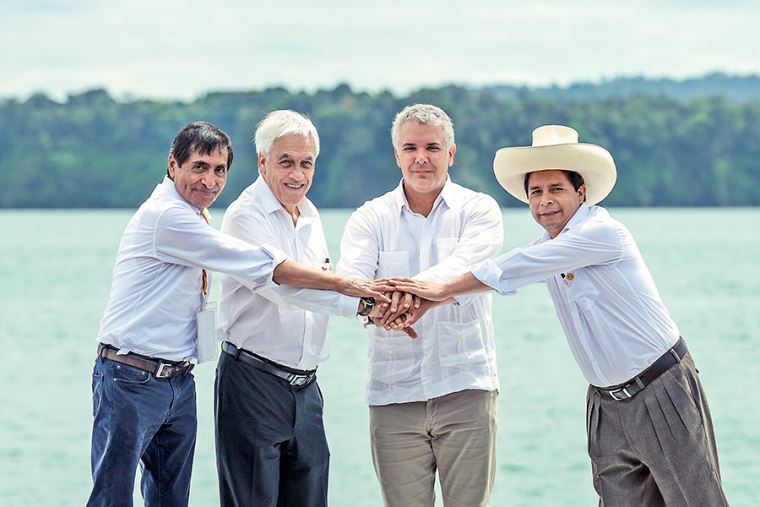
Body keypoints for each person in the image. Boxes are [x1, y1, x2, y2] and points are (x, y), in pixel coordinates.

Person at [390, 125, 728, 506]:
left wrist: (434, 290)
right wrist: (427, 303)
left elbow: (514, 266)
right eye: (536, 192)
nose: (545, 201)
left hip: (660, 389)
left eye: (556, 189)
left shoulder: (601, 233)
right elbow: (509, 272)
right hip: (605, 404)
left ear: (581, 193)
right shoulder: (547, 249)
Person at [88, 121, 387, 507]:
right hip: (131, 376)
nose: (210, 181)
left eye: (219, 170)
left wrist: (358, 297)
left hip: (178, 380)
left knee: (169, 500)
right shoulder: (168, 216)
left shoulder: (199, 215)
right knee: (112, 498)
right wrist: (350, 288)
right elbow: (266, 269)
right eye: (199, 167)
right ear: (172, 164)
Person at [214, 110, 391, 507]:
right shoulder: (244, 216)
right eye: (286, 162)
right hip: (252, 382)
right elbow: (286, 287)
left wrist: (368, 302)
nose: (297, 174)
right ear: (262, 162)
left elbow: (319, 283)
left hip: (306, 388)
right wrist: (362, 302)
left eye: (306, 163)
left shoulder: (309, 214)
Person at [336, 104, 504, 507]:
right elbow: (352, 279)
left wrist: (408, 294)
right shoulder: (370, 217)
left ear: (451, 153)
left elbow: (470, 266)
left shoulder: (479, 210)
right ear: (397, 155)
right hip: (393, 393)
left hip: (466, 387)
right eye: (410, 148)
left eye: (432, 147)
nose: (421, 158)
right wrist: (383, 304)